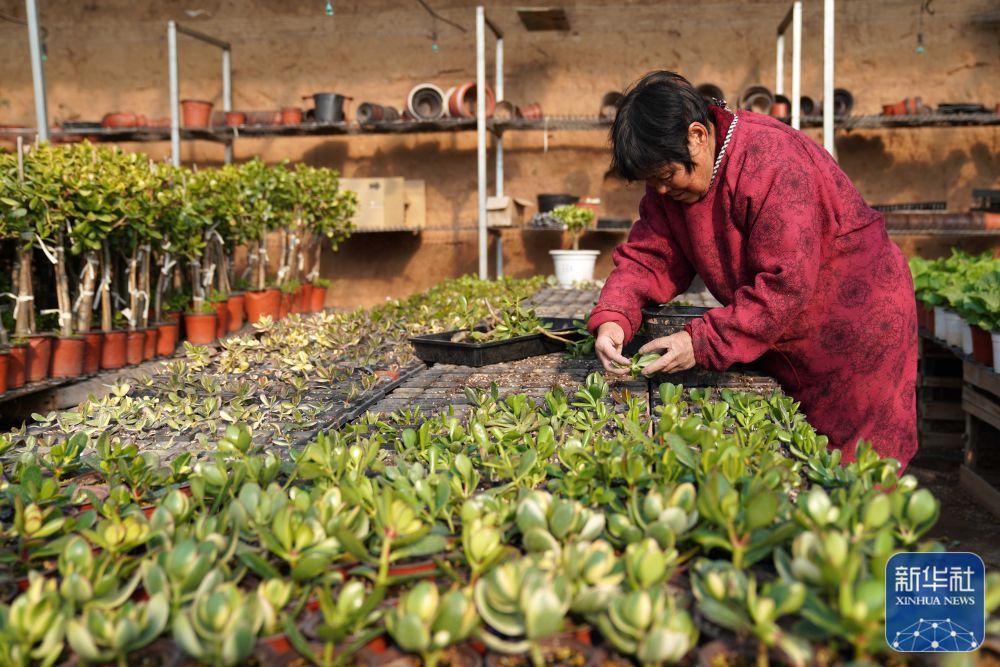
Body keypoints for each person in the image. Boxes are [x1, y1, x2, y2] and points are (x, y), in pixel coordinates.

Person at [588, 71, 918, 468]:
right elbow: (649, 256)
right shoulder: (672, 184)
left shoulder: (772, 160)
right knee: (804, 458)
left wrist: (699, 342)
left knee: (860, 468)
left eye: (664, 177)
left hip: (857, 326)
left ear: (697, 135)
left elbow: (785, 285)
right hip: (783, 331)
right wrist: (614, 318)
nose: (659, 190)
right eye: (650, 181)